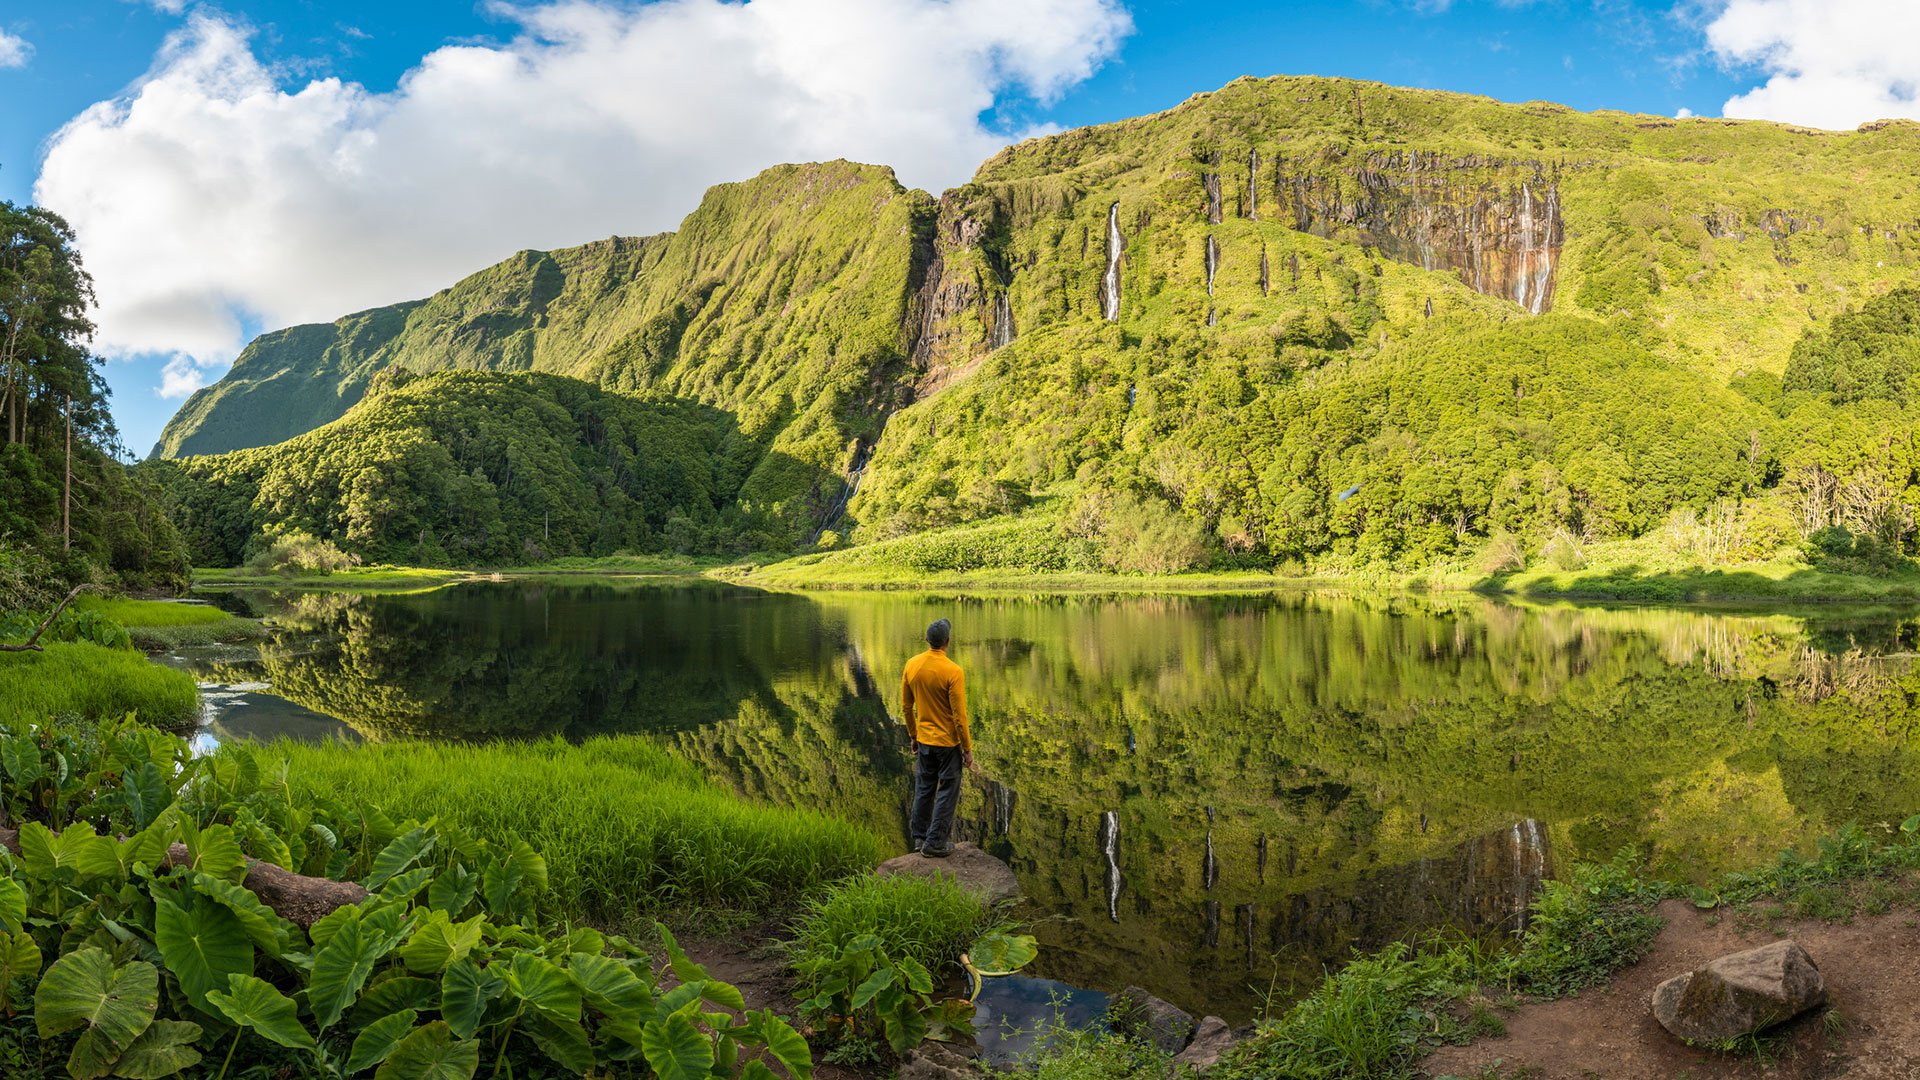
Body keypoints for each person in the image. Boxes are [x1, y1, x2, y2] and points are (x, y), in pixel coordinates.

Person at [901, 617, 971, 858]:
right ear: (948, 642)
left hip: (924, 740)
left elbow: (906, 706)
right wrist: (967, 748)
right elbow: (959, 716)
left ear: (927, 640)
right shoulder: (953, 671)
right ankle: (936, 843)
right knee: (947, 790)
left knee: (924, 787)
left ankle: (919, 838)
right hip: (948, 743)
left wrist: (913, 735)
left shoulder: (912, 665)